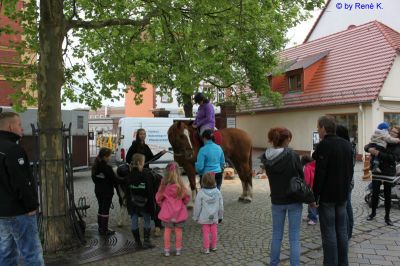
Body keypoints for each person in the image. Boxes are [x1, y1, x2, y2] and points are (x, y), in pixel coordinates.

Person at [0, 112, 44, 265]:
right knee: (32, 253)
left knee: (6, 254)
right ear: (11, 126)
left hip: (2, 213)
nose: (22, 128)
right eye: (19, 124)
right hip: (19, 212)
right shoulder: (13, 150)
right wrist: (31, 206)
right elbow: (22, 182)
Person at [311, 116, 353, 266]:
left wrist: (314, 197)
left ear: (323, 128)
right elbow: (351, 171)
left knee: (329, 232)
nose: (317, 130)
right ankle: (343, 263)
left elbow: (320, 174)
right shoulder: (347, 145)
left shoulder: (324, 145)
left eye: (318, 127)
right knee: (342, 231)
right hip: (343, 195)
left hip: (328, 197)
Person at [260, 127, 303, 266]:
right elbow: (301, 176)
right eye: (289, 138)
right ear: (285, 139)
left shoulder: (266, 156)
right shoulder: (292, 154)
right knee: (294, 238)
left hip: (277, 200)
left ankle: (273, 263)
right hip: (294, 199)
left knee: (276, 235)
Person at [125, 128, 166, 235]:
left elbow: (152, 158)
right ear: (137, 135)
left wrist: (161, 154)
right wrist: (136, 165)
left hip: (146, 171)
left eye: (144, 134)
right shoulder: (134, 146)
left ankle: (157, 219)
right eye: (141, 134)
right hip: (137, 171)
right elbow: (127, 158)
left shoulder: (146, 146)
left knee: (159, 179)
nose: (143, 135)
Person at [365, 125, 400, 226]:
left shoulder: (397, 144)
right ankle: (372, 213)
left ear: (398, 135)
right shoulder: (384, 137)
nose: (392, 133)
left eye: (395, 133)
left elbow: (394, 158)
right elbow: (367, 145)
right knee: (374, 193)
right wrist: (369, 149)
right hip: (377, 171)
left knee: (387, 195)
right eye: (391, 131)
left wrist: (377, 153)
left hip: (388, 172)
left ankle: (387, 217)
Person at [156, 161, 190, 256]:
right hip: (179, 212)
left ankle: (167, 250)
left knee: (167, 230)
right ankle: (178, 249)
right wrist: (184, 203)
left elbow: (158, 197)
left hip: (167, 212)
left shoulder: (164, 185)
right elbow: (186, 197)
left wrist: (161, 204)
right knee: (178, 230)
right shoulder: (180, 185)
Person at [126, 153, 156, 249]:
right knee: (147, 220)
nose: (144, 165)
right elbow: (150, 192)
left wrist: (128, 205)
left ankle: (137, 242)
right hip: (145, 203)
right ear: (139, 163)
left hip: (133, 203)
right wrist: (152, 207)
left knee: (134, 220)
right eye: (143, 163)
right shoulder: (146, 175)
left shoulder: (129, 176)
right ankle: (146, 241)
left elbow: (127, 192)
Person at [193, 172, 224, 254]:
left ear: (203, 182)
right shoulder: (217, 192)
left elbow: (197, 206)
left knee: (206, 233)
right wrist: (221, 216)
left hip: (204, 216)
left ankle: (206, 248)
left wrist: (195, 217)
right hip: (214, 216)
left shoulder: (201, 193)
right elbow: (221, 206)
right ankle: (213, 246)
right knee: (214, 231)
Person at [92, 147, 118, 236]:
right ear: (104, 157)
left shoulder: (95, 166)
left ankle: (100, 226)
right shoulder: (107, 168)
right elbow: (114, 180)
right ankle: (104, 229)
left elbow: (94, 179)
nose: (109, 158)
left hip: (98, 191)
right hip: (107, 192)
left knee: (100, 207)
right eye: (109, 156)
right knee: (105, 210)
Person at [336, 124, 355, 239]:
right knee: (347, 205)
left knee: (347, 206)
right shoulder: (349, 146)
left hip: (347, 181)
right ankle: (348, 230)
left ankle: (348, 231)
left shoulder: (347, 147)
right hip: (348, 180)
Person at [301, 155, 317, 226]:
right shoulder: (315, 165)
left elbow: (306, 180)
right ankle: (310, 216)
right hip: (317, 186)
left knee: (311, 202)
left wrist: (305, 188)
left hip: (310, 187)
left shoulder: (307, 167)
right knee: (313, 202)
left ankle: (313, 218)